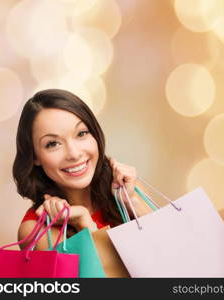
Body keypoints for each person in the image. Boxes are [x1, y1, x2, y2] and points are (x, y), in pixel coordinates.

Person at [13, 89, 151, 250]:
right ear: (34, 156)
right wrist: (84, 223)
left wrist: (131, 202)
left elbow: (172, 252)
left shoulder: (129, 191)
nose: (74, 153)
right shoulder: (37, 231)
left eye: (81, 133)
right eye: (53, 144)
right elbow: (106, 274)